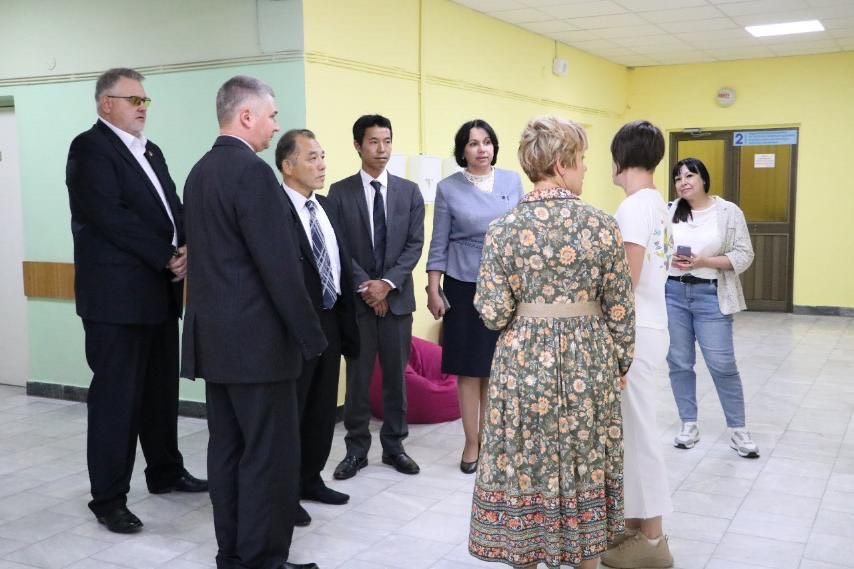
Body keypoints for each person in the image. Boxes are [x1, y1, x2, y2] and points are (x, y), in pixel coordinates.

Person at [469, 115, 635, 569]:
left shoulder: (502, 229)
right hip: (589, 363)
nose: (586, 169)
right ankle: (584, 555)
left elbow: (492, 312)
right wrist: (619, 362)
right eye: (581, 160)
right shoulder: (601, 226)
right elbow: (620, 308)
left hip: (521, 365)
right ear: (562, 164)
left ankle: (526, 549)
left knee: (525, 462)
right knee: (584, 462)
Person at [181, 75, 324, 569]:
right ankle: (262, 558)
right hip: (259, 348)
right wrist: (310, 337)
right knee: (268, 456)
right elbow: (279, 267)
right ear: (246, 116)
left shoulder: (199, 171)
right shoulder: (254, 173)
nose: (275, 125)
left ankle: (233, 553)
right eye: (272, 115)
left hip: (215, 344)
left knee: (226, 451)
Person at [66, 67, 207, 534]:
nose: (143, 107)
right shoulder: (90, 149)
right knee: (117, 401)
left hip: (160, 294)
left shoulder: (151, 150)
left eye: (145, 99)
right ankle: (108, 498)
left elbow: (173, 206)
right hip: (117, 302)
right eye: (133, 99)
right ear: (106, 104)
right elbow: (109, 216)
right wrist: (166, 256)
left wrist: (185, 245)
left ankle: (165, 471)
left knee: (160, 393)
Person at [327, 114, 425, 480]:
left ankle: (395, 447)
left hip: (397, 302)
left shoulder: (409, 192)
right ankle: (356, 449)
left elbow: (414, 245)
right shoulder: (340, 192)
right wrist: (368, 287)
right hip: (359, 303)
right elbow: (338, 246)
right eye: (373, 141)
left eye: (387, 141)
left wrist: (387, 284)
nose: (382, 149)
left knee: (396, 379)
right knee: (358, 378)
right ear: (358, 145)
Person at [425, 119, 523, 474]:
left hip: (505, 285)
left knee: (497, 367)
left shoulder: (512, 181)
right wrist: (433, 288)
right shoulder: (448, 188)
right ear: (462, 151)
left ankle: (493, 441)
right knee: (469, 370)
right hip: (463, 284)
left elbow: (523, 234)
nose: (481, 149)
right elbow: (439, 242)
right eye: (473, 143)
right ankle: (471, 442)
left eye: (487, 142)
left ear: (494, 146)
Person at [274, 129, 360, 528]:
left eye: (323, 156)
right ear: (288, 166)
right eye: (312, 158)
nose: (322, 165)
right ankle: (284, 492)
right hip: (295, 326)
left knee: (322, 409)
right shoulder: (275, 209)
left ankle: (310, 478)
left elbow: (339, 263)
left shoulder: (324, 206)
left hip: (329, 320)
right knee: (292, 412)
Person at [601, 120, 674, 569]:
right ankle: (633, 526)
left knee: (641, 433)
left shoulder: (632, 208)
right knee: (632, 431)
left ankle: (652, 537)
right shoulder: (657, 205)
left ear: (620, 158)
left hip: (636, 332)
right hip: (652, 326)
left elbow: (623, 282)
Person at [667, 157, 758, 458]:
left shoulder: (728, 212)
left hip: (711, 294)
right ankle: (688, 424)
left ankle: (738, 429)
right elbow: (655, 251)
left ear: (704, 179)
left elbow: (744, 255)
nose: (683, 182)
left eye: (689, 176)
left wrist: (704, 261)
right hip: (673, 293)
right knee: (679, 362)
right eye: (678, 178)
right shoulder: (669, 212)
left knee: (722, 364)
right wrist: (669, 258)